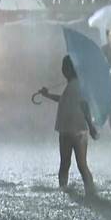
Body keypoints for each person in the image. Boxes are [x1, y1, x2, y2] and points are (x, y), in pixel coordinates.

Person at [39, 56, 99, 197]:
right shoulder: (74, 85)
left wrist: (91, 126)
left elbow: (84, 105)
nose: (63, 70)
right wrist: (47, 95)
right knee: (75, 164)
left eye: (65, 67)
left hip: (74, 130)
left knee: (73, 164)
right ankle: (85, 192)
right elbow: (64, 100)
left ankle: (70, 191)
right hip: (72, 129)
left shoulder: (77, 85)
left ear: (69, 69)